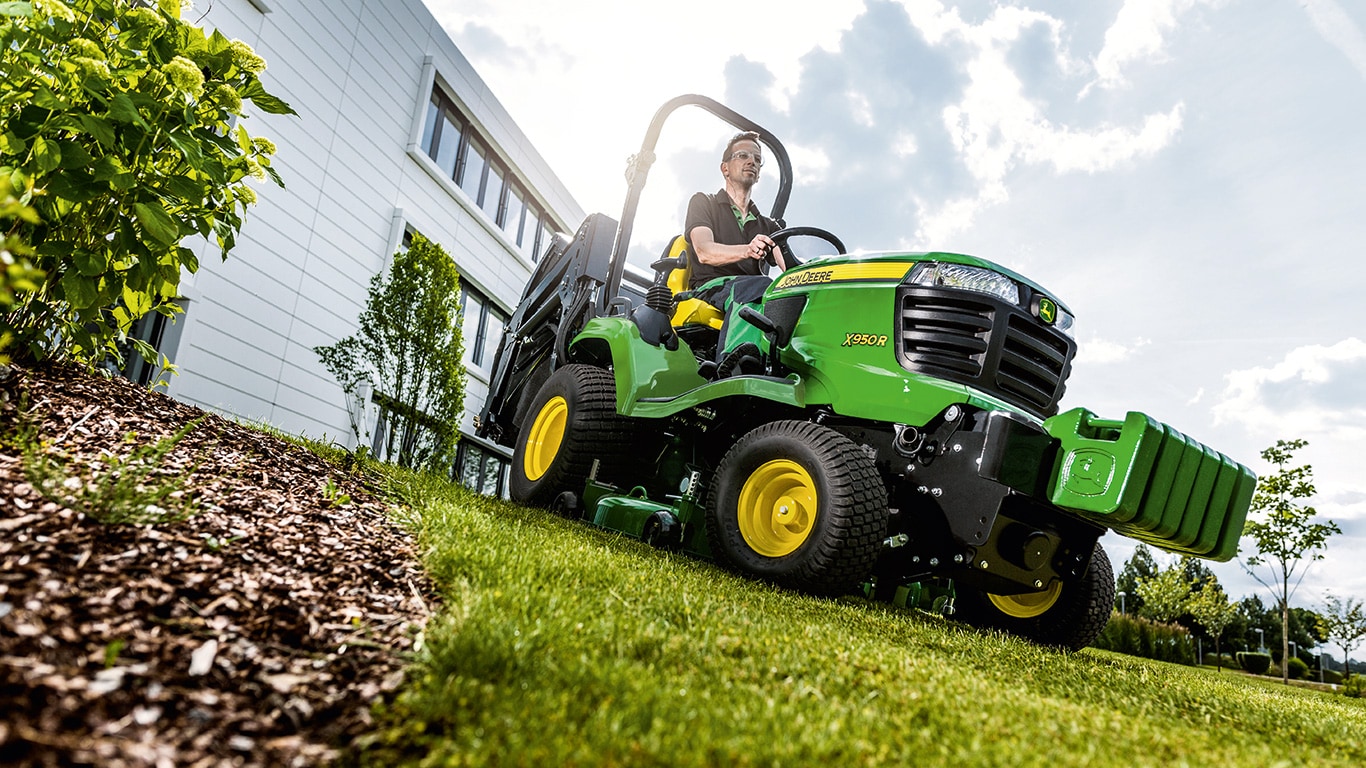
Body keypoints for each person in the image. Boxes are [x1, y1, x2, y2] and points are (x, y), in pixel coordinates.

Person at [683, 131, 787, 373]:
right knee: (759, 285)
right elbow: (704, 251)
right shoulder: (704, 203)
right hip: (709, 287)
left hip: (751, 289)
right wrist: (748, 249)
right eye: (743, 156)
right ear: (725, 168)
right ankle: (734, 364)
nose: (752, 162)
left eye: (757, 159)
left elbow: (789, 267)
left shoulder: (770, 226)